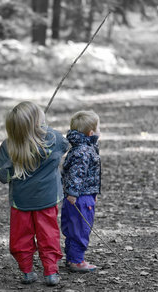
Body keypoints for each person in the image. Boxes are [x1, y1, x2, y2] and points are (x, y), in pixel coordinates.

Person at [0, 101, 69, 286]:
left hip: (21, 202)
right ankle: (51, 272)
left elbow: (0, 175)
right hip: (48, 200)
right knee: (48, 234)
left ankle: (27, 271)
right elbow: (65, 147)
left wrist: (14, 166)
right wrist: (45, 131)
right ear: (38, 123)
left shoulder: (9, 145)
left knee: (21, 236)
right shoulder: (53, 138)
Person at [61, 110, 101, 272]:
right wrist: (73, 193)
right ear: (91, 133)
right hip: (79, 197)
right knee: (80, 228)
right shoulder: (84, 151)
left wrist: (94, 193)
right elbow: (77, 174)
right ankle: (76, 260)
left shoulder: (80, 148)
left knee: (74, 227)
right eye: (99, 128)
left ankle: (72, 258)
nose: (100, 132)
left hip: (83, 195)